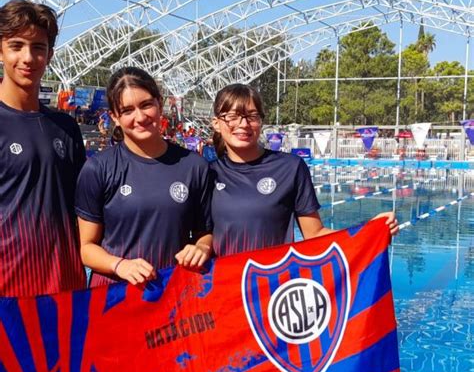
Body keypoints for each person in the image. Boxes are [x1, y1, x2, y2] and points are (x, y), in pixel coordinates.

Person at [210, 83, 398, 257]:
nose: (243, 124)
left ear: (261, 122)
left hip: (274, 285)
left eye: (252, 116)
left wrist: (369, 232)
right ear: (216, 123)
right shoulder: (207, 174)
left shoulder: (289, 167)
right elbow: (199, 238)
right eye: (233, 117)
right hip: (225, 288)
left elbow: (315, 233)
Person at [75, 67, 212, 287]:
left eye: (147, 104)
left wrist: (201, 248)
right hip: (113, 296)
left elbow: (204, 233)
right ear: (115, 117)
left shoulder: (193, 166)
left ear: (160, 104)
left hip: (172, 293)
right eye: (127, 110)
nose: (140, 117)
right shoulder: (98, 168)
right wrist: (120, 265)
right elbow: (87, 248)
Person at [0, 0, 86, 297]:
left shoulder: (66, 127)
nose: (28, 57)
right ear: (0, 49)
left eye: (38, 47)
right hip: (9, 296)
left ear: (49, 55)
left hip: (67, 290)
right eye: (16, 45)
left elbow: (85, 209)